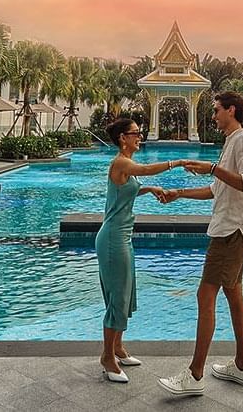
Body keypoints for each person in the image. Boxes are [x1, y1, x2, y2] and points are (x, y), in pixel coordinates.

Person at [157, 91, 243, 396]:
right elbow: (216, 189)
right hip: (230, 229)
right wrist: (180, 194)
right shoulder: (231, 142)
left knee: (205, 296)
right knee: (234, 296)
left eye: (217, 110)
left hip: (230, 231)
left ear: (231, 110)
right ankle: (242, 366)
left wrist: (212, 168)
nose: (214, 114)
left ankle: (194, 375)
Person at [96, 118, 186, 383]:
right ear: (123, 138)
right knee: (117, 299)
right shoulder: (122, 162)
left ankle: (118, 348)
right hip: (113, 239)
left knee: (125, 293)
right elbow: (146, 169)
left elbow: (129, 188)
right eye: (136, 133)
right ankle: (107, 357)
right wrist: (176, 163)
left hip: (122, 237)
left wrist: (148, 190)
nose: (140, 137)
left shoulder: (126, 165)